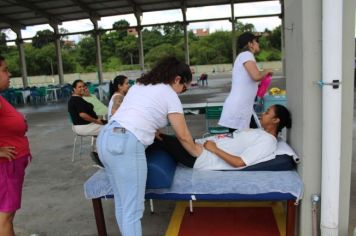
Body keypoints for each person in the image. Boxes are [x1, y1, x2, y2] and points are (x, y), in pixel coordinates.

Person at [96, 56, 202, 236]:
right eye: (184, 87)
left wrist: (154, 131)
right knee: (133, 211)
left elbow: (139, 113)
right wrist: (199, 152)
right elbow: (183, 135)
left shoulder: (140, 86)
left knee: (123, 204)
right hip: (126, 144)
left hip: (105, 139)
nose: (181, 92)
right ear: (177, 79)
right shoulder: (169, 94)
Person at [152, 104, 291, 170]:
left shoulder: (267, 141)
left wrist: (214, 149)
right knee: (159, 138)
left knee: (158, 138)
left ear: (276, 120)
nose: (263, 114)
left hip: (202, 157)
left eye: (267, 112)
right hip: (201, 146)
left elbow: (239, 162)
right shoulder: (261, 132)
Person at [0, 55, 32, 236]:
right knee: (5, 218)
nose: (9, 74)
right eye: (4, 70)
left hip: (10, 166)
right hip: (6, 167)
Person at [219, 32, 273, 132]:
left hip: (241, 108)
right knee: (247, 141)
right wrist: (267, 71)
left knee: (251, 138)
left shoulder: (244, 56)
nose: (258, 43)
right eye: (256, 41)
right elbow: (256, 76)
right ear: (250, 44)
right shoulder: (246, 55)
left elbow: (251, 80)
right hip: (239, 109)